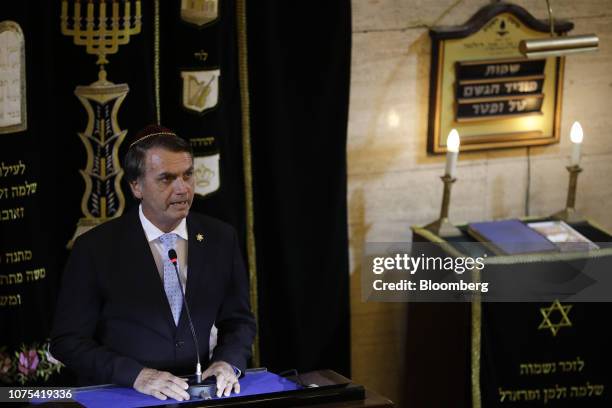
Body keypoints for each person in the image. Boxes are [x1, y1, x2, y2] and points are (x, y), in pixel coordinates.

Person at [51, 125, 256, 401]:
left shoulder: (220, 238)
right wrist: (135, 375)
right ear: (136, 186)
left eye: (187, 175)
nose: (182, 188)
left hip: (198, 395)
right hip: (125, 394)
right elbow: (67, 342)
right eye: (166, 179)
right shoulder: (95, 248)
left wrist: (227, 362)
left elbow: (238, 321)